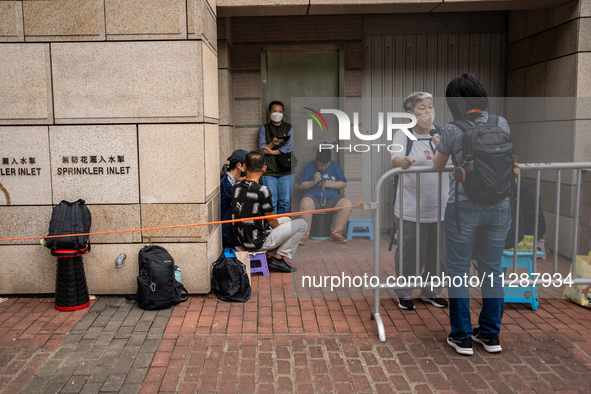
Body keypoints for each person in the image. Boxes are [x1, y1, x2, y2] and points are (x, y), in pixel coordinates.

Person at [433, 74, 512, 356]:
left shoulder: (453, 129)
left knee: (458, 272)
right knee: (493, 271)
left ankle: (462, 336)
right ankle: (490, 336)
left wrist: (438, 142)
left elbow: (438, 165)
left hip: (464, 207)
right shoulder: (499, 123)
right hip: (500, 207)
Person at [391, 92, 449, 310]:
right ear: (410, 114)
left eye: (430, 107)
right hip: (411, 208)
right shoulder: (403, 135)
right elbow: (395, 158)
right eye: (422, 108)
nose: (428, 111)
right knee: (410, 253)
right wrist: (402, 162)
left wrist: (441, 145)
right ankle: (404, 292)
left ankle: (431, 291)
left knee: (438, 256)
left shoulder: (443, 134)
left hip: (441, 207)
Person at [231, 151, 307, 273]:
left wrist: (278, 225)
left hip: (243, 237)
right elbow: (272, 222)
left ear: (244, 166)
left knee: (287, 220)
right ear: (264, 169)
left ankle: (271, 256)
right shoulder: (262, 190)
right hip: (256, 242)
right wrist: (278, 226)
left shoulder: (236, 187)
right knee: (302, 224)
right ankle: (278, 257)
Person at [297, 149, 352, 245]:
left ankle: (336, 233)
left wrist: (329, 184)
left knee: (347, 204)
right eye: (320, 165)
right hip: (313, 199)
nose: (322, 168)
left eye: (325, 165)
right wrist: (313, 182)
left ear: (329, 162)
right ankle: (305, 234)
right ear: (316, 161)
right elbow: (301, 186)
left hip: (331, 199)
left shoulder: (334, 166)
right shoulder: (310, 166)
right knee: (305, 202)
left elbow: (344, 183)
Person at [258, 101, 294, 214]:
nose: (277, 114)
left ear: (283, 113)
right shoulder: (264, 128)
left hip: (286, 170)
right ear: (269, 113)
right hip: (269, 171)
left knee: (285, 202)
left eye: (280, 111)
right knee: (270, 202)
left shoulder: (289, 128)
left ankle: (284, 227)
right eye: (274, 111)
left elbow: (288, 148)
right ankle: (272, 228)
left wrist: (272, 152)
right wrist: (273, 144)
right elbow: (262, 149)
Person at [221, 149, 248, 248]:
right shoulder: (227, 185)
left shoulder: (230, 181)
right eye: (247, 164)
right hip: (228, 233)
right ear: (239, 165)